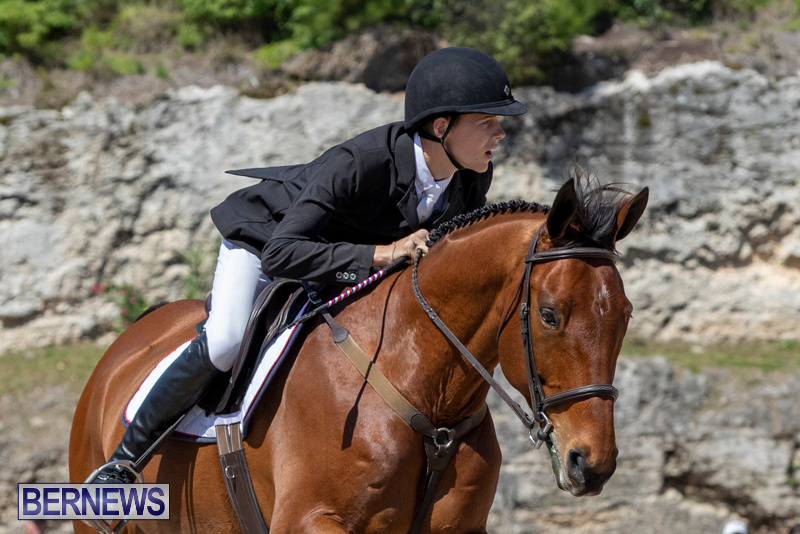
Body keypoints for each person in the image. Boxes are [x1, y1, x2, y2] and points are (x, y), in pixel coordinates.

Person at [94, 46, 527, 484]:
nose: (500, 134)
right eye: (487, 122)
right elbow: (283, 253)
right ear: (441, 126)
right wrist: (382, 253)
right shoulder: (360, 163)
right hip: (268, 242)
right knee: (226, 340)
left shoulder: (472, 175)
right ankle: (122, 463)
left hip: (340, 262)